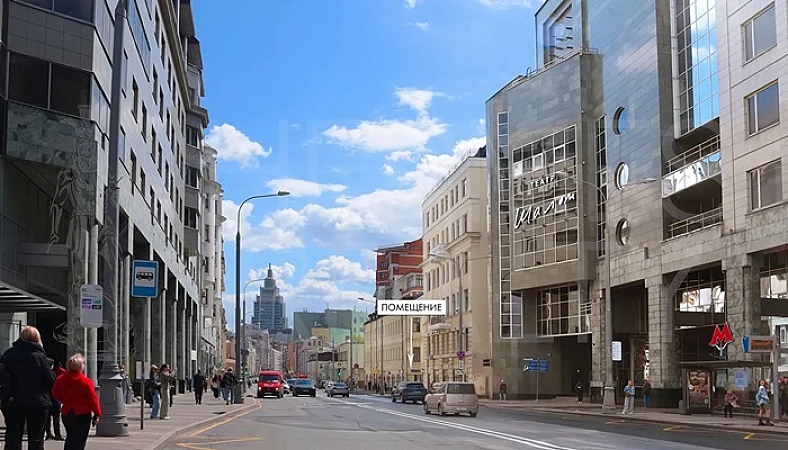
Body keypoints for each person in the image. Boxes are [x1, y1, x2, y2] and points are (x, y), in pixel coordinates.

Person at [0, 325, 56, 450]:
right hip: (38, 401)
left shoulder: (9, 354)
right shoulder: (40, 356)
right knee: (36, 438)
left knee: (13, 438)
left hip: (13, 400)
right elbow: (50, 381)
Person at [52, 353, 102, 450]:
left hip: (67, 412)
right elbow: (93, 399)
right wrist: (97, 413)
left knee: (70, 437)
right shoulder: (85, 382)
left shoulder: (61, 379)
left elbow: (54, 393)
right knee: (80, 440)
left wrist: (64, 400)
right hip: (82, 413)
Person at [45, 358, 64, 441]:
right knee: (56, 418)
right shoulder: (53, 374)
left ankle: (49, 434)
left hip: (47, 398)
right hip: (54, 399)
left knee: (47, 419)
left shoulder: (43, 374)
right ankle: (57, 434)